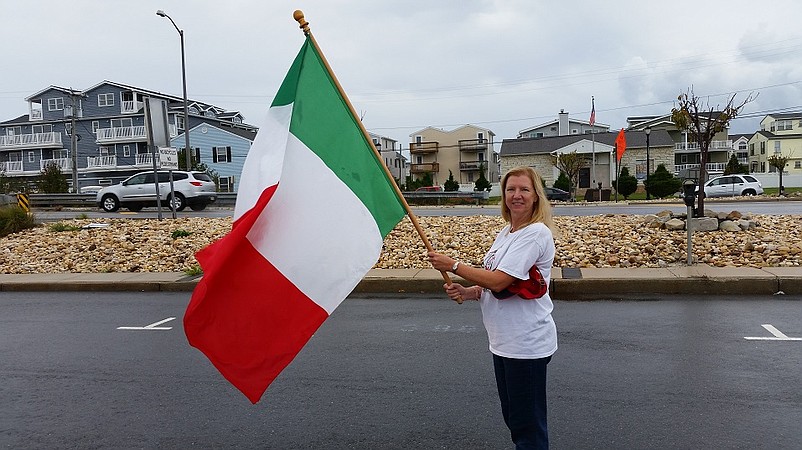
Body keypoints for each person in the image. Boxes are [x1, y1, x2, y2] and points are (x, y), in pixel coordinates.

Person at [428, 166, 557, 450]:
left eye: (524, 189)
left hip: (526, 343)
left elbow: (499, 281)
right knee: (515, 418)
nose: (517, 195)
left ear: (536, 196)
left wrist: (453, 265)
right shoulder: (507, 233)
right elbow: (500, 285)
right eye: (511, 189)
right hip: (504, 342)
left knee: (528, 427)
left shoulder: (535, 234)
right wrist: (469, 291)